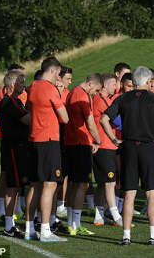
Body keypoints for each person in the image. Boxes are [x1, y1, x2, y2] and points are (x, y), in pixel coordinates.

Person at [100, 66, 154, 246]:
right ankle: (153, 236)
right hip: (149, 148)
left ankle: (126, 236)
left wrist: (113, 139)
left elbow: (103, 119)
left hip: (129, 148)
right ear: (148, 82)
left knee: (129, 194)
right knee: (151, 194)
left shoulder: (123, 98)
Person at [25, 56, 69, 242]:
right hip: (48, 140)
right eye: (59, 74)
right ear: (53, 70)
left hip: (35, 138)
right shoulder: (49, 88)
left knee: (35, 185)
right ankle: (45, 230)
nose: (59, 78)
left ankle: (29, 229)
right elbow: (65, 118)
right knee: (50, 185)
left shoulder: (33, 86)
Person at [65, 73, 103, 236]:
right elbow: (90, 122)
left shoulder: (72, 93)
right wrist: (99, 139)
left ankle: (70, 222)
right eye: (96, 89)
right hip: (80, 143)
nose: (95, 93)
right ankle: (76, 224)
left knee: (74, 184)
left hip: (71, 142)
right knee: (82, 185)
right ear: (90, 84)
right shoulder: (82, 96)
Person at [0, 71, 30, 237]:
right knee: (13, 185)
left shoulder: (14, 101)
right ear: (12, 84)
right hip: (13, 148)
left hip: (16, 147)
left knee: (16, 186)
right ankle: (9, 225)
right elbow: (27, 120)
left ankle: (10, 223)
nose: (23, 86)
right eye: (21, 82)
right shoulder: (10, 101)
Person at [92, 73, 123, 226]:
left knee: (102, 183)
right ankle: (117, 216)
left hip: (106, 146)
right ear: (104, 85)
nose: (115, 87)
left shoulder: (105, 99)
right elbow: (117, 122)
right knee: (110, 182)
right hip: (104, 145)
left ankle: (99, 216)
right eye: (113, 84)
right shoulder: (101, 100)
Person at [55, 66, 73, 219]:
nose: (70, 82)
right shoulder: (53, 92)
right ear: (59, 78)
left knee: (65, 173)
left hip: (66, 137)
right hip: (54, 135)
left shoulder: (69, 94)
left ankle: (61, 204)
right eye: (68, 79)